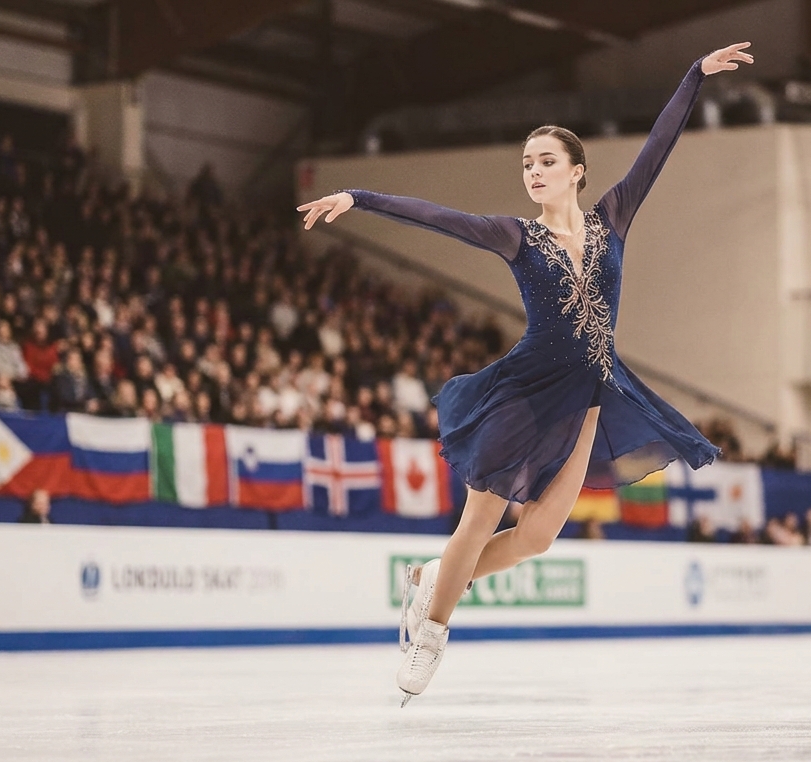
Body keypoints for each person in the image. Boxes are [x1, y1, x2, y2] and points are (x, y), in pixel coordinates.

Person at [300, 42, 755, 705]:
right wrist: (359, 196)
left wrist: (692, 77)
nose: (533, 171)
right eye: (526, 164)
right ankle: (429, 634)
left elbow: (658, 148)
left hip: (591, 394)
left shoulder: (614, 220)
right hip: (526, 394)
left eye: (546, 161)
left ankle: (433, 576)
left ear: (577, 171)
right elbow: (437, 217)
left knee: (538, 537)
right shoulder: (516, 235)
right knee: (479, 523)